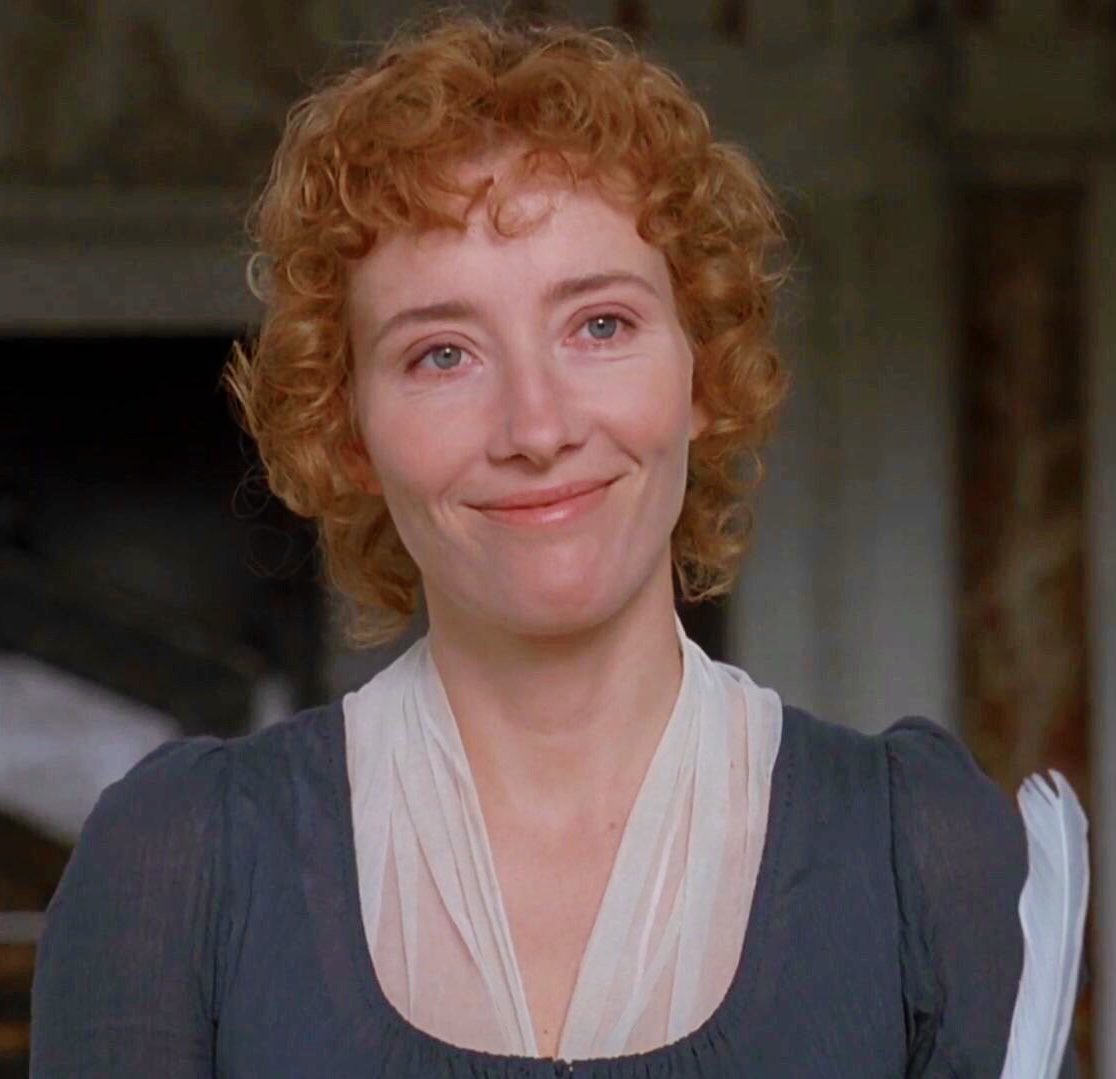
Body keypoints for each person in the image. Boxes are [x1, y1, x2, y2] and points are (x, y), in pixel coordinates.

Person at [31, 14, 1084, 1076]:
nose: (536, 428)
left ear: (703, 369)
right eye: (443, 354)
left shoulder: (920, 852)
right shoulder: (179, 867)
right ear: (348, 432)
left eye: (600, 326)